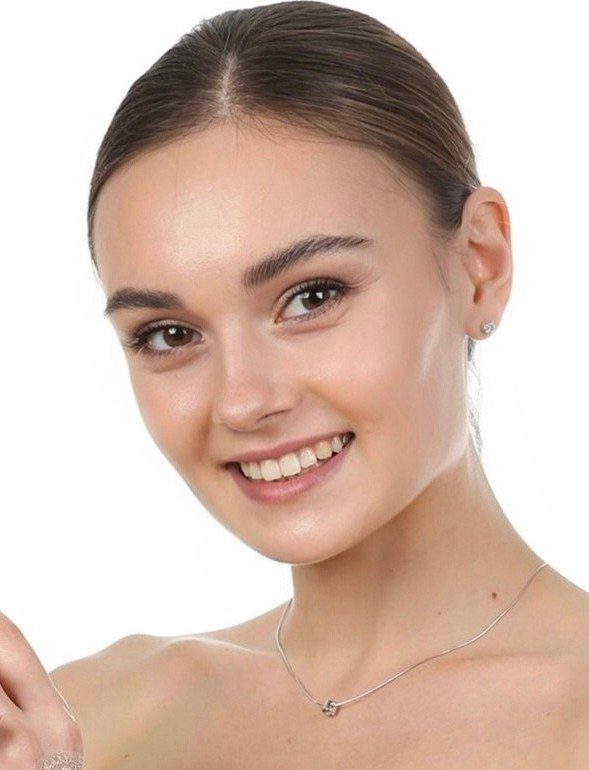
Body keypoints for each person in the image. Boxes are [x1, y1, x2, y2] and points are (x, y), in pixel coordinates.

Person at [1, 1, 586, 767]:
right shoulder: (82, 721)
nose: (243, 401)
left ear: (480, 263)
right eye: (169, 335)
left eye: (311, 297)